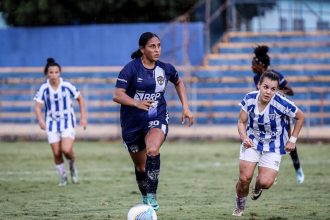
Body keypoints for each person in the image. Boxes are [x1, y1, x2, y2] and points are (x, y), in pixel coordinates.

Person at [113, 32, 194, 211]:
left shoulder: (166, 69)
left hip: (156, 117)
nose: (157, 49)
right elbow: (117, 95)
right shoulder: (130, 69)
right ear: (142, 49)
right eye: (152, 46)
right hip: (132, 122)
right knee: (141, 167)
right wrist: (136, 103)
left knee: (152, 150)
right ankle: (144, 196)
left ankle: (152, 196)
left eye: (158, 45)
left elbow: (179, 82)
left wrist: (186, 107)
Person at [232, 70, 304, 217]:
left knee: (266, 183)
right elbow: (241, 121)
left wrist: (292, 140)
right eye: (265, 87)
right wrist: (244, 136)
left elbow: (300, 117)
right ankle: (239, 206)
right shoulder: (250, 98)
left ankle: (258, 186)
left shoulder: (281, 103)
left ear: (276, 90)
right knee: (244, 178)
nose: (268, 92)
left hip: (274, 146)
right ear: (259, 85)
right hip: (252, 141)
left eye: (273, 89)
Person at [251, 45, 305, 184]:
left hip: (280, 113)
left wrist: (278, 92)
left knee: (287, 141)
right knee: (260, 139)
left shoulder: (276, 76)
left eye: (254, 63)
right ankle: (266, 172)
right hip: (264, 114)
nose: (252, 66)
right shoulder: (257, 78)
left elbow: (290, 91)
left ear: (261, 64)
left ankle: (298, 169)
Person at [34, 57, 87, 186]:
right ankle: (63, 176)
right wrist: (41, 120)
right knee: (57, 152)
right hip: (51, 124)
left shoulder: (66, 86)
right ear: (47, 73)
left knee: (66, 150)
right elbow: (37, 106)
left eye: (56, 72)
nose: (54, 75)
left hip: (67, 122)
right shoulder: (43, 88)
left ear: (60, 73)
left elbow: (80, 99)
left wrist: (83, 117)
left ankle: (73, 167)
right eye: (51, 72)